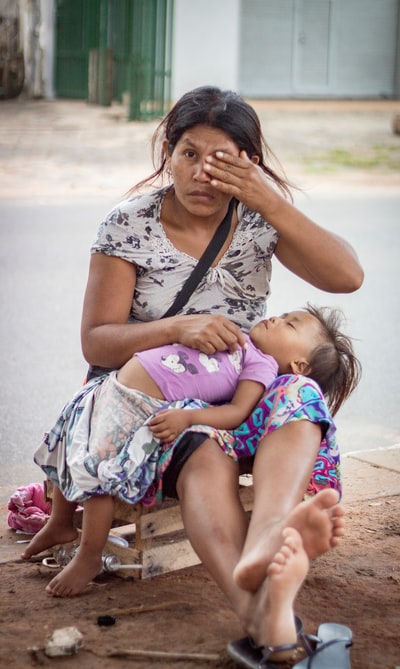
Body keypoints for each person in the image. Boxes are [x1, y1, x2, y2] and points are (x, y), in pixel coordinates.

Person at [23, 86, 363, 660]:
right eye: (189, 153)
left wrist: (270, 201)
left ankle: (269, 537)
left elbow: (347, 277)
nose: (204, 173)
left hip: (243, 388)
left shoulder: (258, 219)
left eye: (224, 160)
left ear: (250, 165)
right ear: (168, 151)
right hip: (156, 398)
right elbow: (96, 341)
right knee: (206, 450)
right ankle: (262, 613)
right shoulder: (129, 225)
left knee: (301, 389)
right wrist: (176, 328)